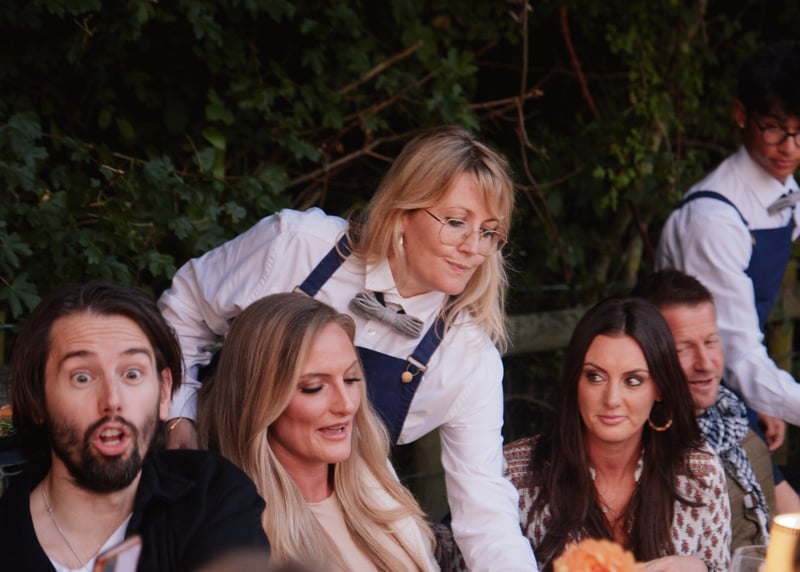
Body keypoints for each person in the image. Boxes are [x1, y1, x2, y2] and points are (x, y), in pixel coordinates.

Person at [159, 125, 537, 569]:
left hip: (340, 514)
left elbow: (484, 503)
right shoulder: (299, 245)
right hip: (214, 470)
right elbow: (182, 311)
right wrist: (179, 415)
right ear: (403, 210)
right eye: (456, 222)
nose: (474, 248)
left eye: (489, 232)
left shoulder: (467, 355)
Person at [0, 281, 270, 571]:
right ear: (38, 400)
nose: (112, 400)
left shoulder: (211, 497)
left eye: (132, 374)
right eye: (82, 377)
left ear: (164, 393)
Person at [197, 292, 438, 572]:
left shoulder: (375, 478)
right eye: (314, 387)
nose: (346, 405)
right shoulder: (238, 538)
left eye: (351, 379)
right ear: (258, 400)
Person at [503, 297, 731, 571]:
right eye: (595, 377)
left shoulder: (699, 473)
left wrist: (701, 568)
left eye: (633, 381)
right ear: (575, 382)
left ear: (660, 388)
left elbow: (722, 566)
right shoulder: (513, 473)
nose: (612, 399)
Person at [656, 42, 800, 432]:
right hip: (689, 403)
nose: (789, 147)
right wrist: (774, 396)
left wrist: (770, 399)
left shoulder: (786, 191)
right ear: (741, 115)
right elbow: (735, 353)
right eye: (774, 128)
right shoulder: (713, 220)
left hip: (743, 387)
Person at [632, 269, 799, 552]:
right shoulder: (638, 451)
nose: (706, 363)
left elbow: (792, 515)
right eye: (683, 349)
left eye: (710, 342)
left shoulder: (731, 417)